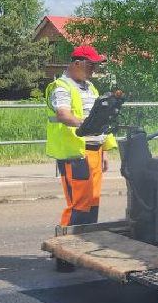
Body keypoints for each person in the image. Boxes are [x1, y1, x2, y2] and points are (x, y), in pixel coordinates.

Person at [46, 45, 117, 228]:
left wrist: (105, 151)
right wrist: (85, 125)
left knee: (92, 203)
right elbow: (63, 114)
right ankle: (64, 249)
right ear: (77, 63)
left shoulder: (90, 88)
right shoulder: (61, 87)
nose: (94, 70)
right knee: (79, 205)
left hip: (95, 152)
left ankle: (86, 242)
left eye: (95, 66)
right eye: (91, 65)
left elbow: (100, 117)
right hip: (76, 154)